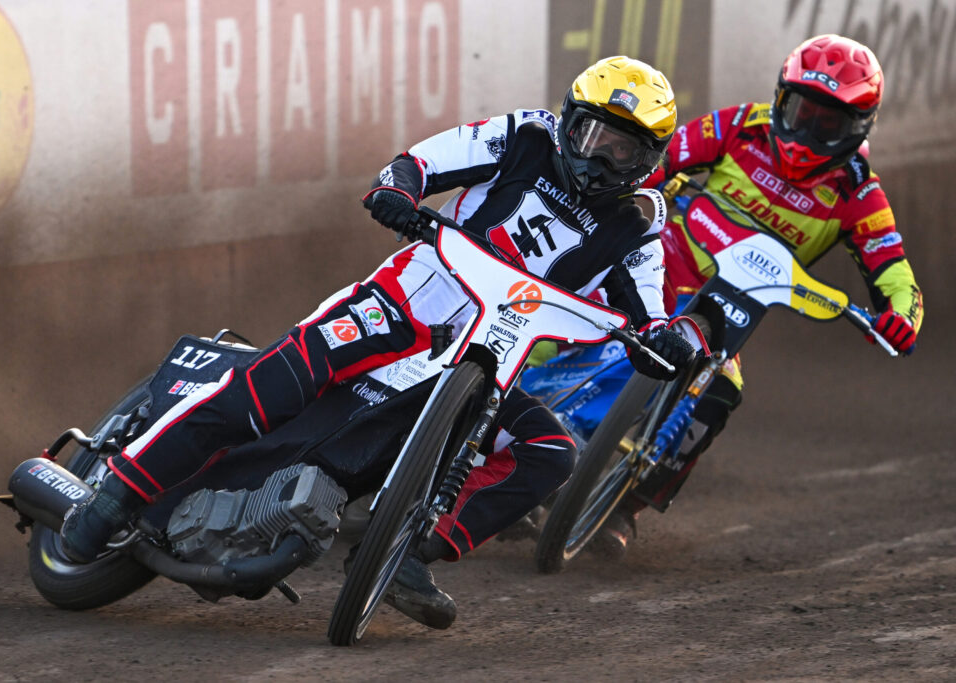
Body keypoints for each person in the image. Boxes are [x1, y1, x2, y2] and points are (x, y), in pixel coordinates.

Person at [59, 56, 696, 629]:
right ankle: (117, 494)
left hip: (488, 361)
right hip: (405, 302)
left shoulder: (639, 224)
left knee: (551, 452)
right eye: (591, 135)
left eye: (622, 151)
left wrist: (662, 340)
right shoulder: (525, 133)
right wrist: (397, 190)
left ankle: (407, 553)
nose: (599, 158)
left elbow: (649, 309)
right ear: (567, 120)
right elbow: (422, 162)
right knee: (268, 391)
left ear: (649, 160)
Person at [540, 34, 923, 557]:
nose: (805, 131)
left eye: (826, 122)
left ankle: (625, 508)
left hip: (728, 313)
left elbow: (895, 272)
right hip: (656, 263)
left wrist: (902, 314)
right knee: (565, 291)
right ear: (781, 96)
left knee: (722, 391)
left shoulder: (860, 193)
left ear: (858, 127)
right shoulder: (744, 123)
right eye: (800, 110)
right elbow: (662, 158)